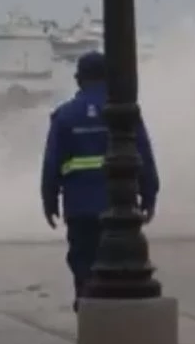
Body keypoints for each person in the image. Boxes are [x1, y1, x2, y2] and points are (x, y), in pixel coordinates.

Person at [40, 51, 160, 311]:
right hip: (119, 207)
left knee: (83, 261)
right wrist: (150, 195)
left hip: (79, 207)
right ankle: (115, 313)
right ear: (109, 78)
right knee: (122, 264)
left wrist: (49, 201)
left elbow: (51, 163)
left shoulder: (64, 115)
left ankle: (87, 306)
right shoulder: (124, 112)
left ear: (78, 79)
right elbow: (143, 154)